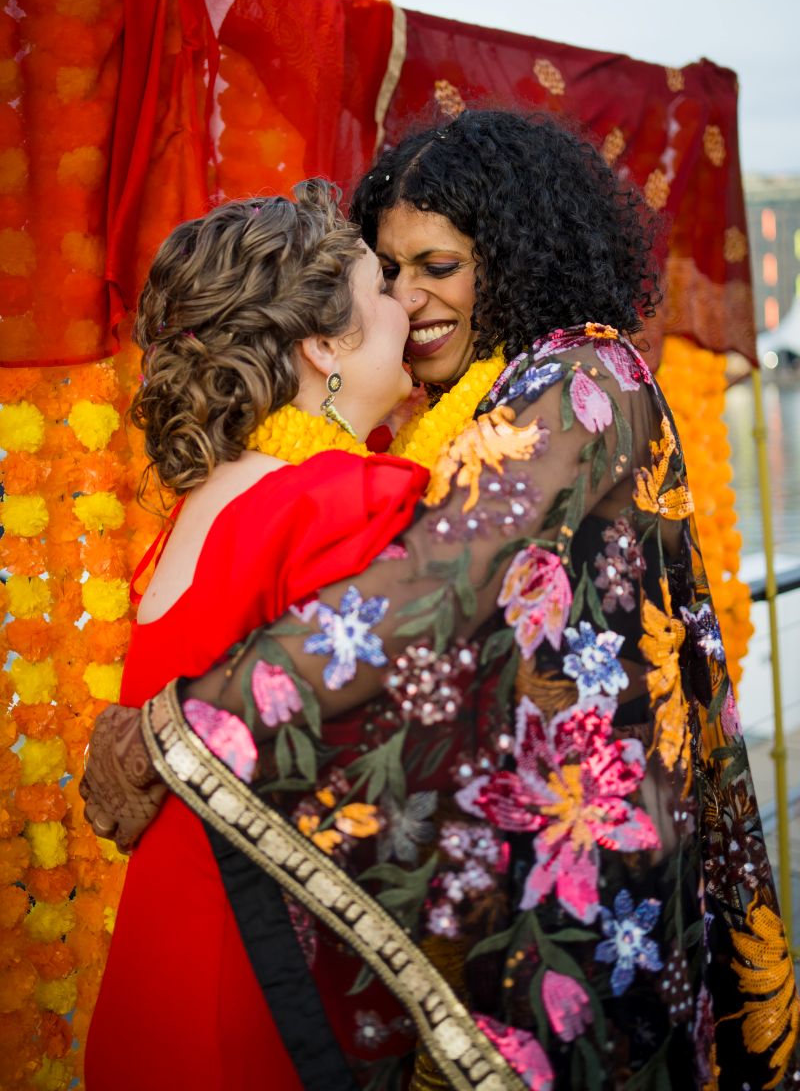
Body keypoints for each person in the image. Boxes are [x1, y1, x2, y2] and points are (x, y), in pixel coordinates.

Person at [83, 111, 799, 1090]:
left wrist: (177, 728)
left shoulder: (579, 371)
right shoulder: (414, 436)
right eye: (388, 271)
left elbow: (439, 577)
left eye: (438, 265)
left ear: (511, 258)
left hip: (586, 860)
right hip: (458, 879)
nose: (411, 297)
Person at [83, 179, 430, 1090]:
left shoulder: (210, 499)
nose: (408, 306)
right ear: (324, 345)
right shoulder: (340, 502)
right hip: (263, 1008)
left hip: (154, 985)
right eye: (382, 286)